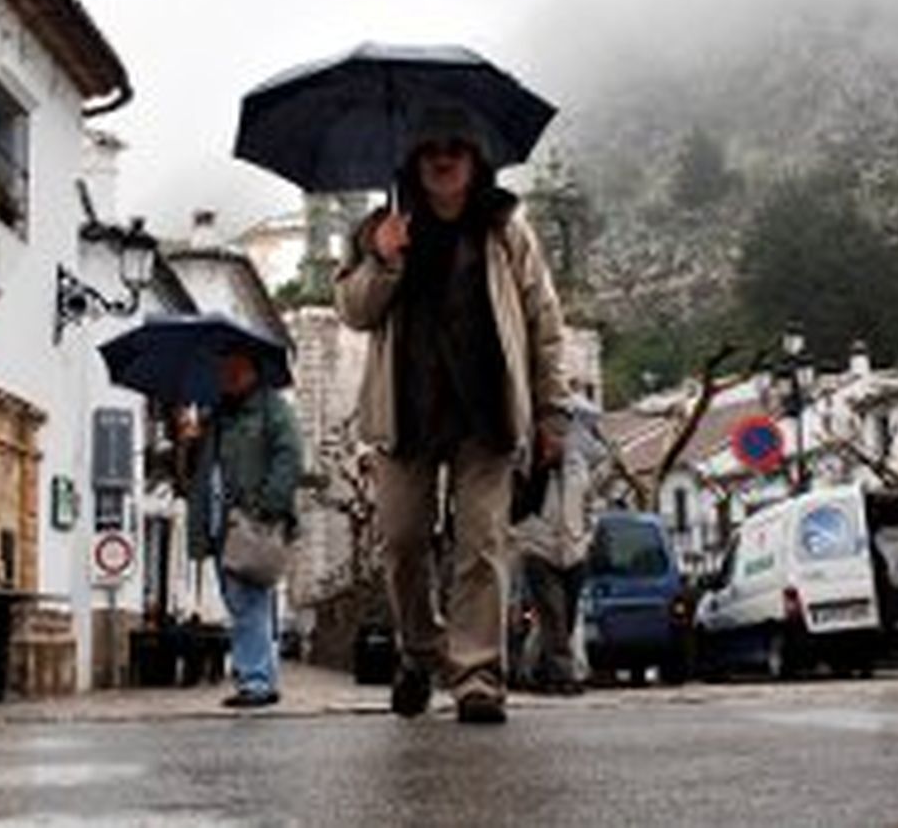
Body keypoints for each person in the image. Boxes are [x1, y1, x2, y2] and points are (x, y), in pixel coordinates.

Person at [335, 104, 569, 724]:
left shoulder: (506, 229)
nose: (442, 157)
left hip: (486, 412)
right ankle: (420, 650)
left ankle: (477, 678)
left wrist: (553, 415)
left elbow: (545, 324)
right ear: (413, 159)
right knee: (404, 542)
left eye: (455, 147)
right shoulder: (382, 226)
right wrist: (383, 258)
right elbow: (353, 311)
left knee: (482, 545)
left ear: (475, 160)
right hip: (405, 415)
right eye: (430, 146)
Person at [184, 348, 304, 709]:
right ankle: (259, 677)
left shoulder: (271, 408)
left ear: (254, 371)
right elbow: (199, 474)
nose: (230, 375)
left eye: (238, 369)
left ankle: (255, 681)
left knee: (248, 599)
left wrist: (269, 505)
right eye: (226, 369)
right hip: (220, 525)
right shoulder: (216, 417)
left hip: (251, 521)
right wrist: (188, 442)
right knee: (243, 603)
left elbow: (290, 454)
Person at [513, 399, 606, 694]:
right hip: (538, 549)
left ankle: (534, 669)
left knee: (565, 616)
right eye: (553, 431)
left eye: (564, 432)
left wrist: (587, 537)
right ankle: (562, 676)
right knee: (552, 612)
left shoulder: (577, 465)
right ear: (539, 432)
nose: (559, 438)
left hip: (574, 551)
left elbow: (590, 501)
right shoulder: (526, 465)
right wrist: (526, 537)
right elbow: (513, 508)